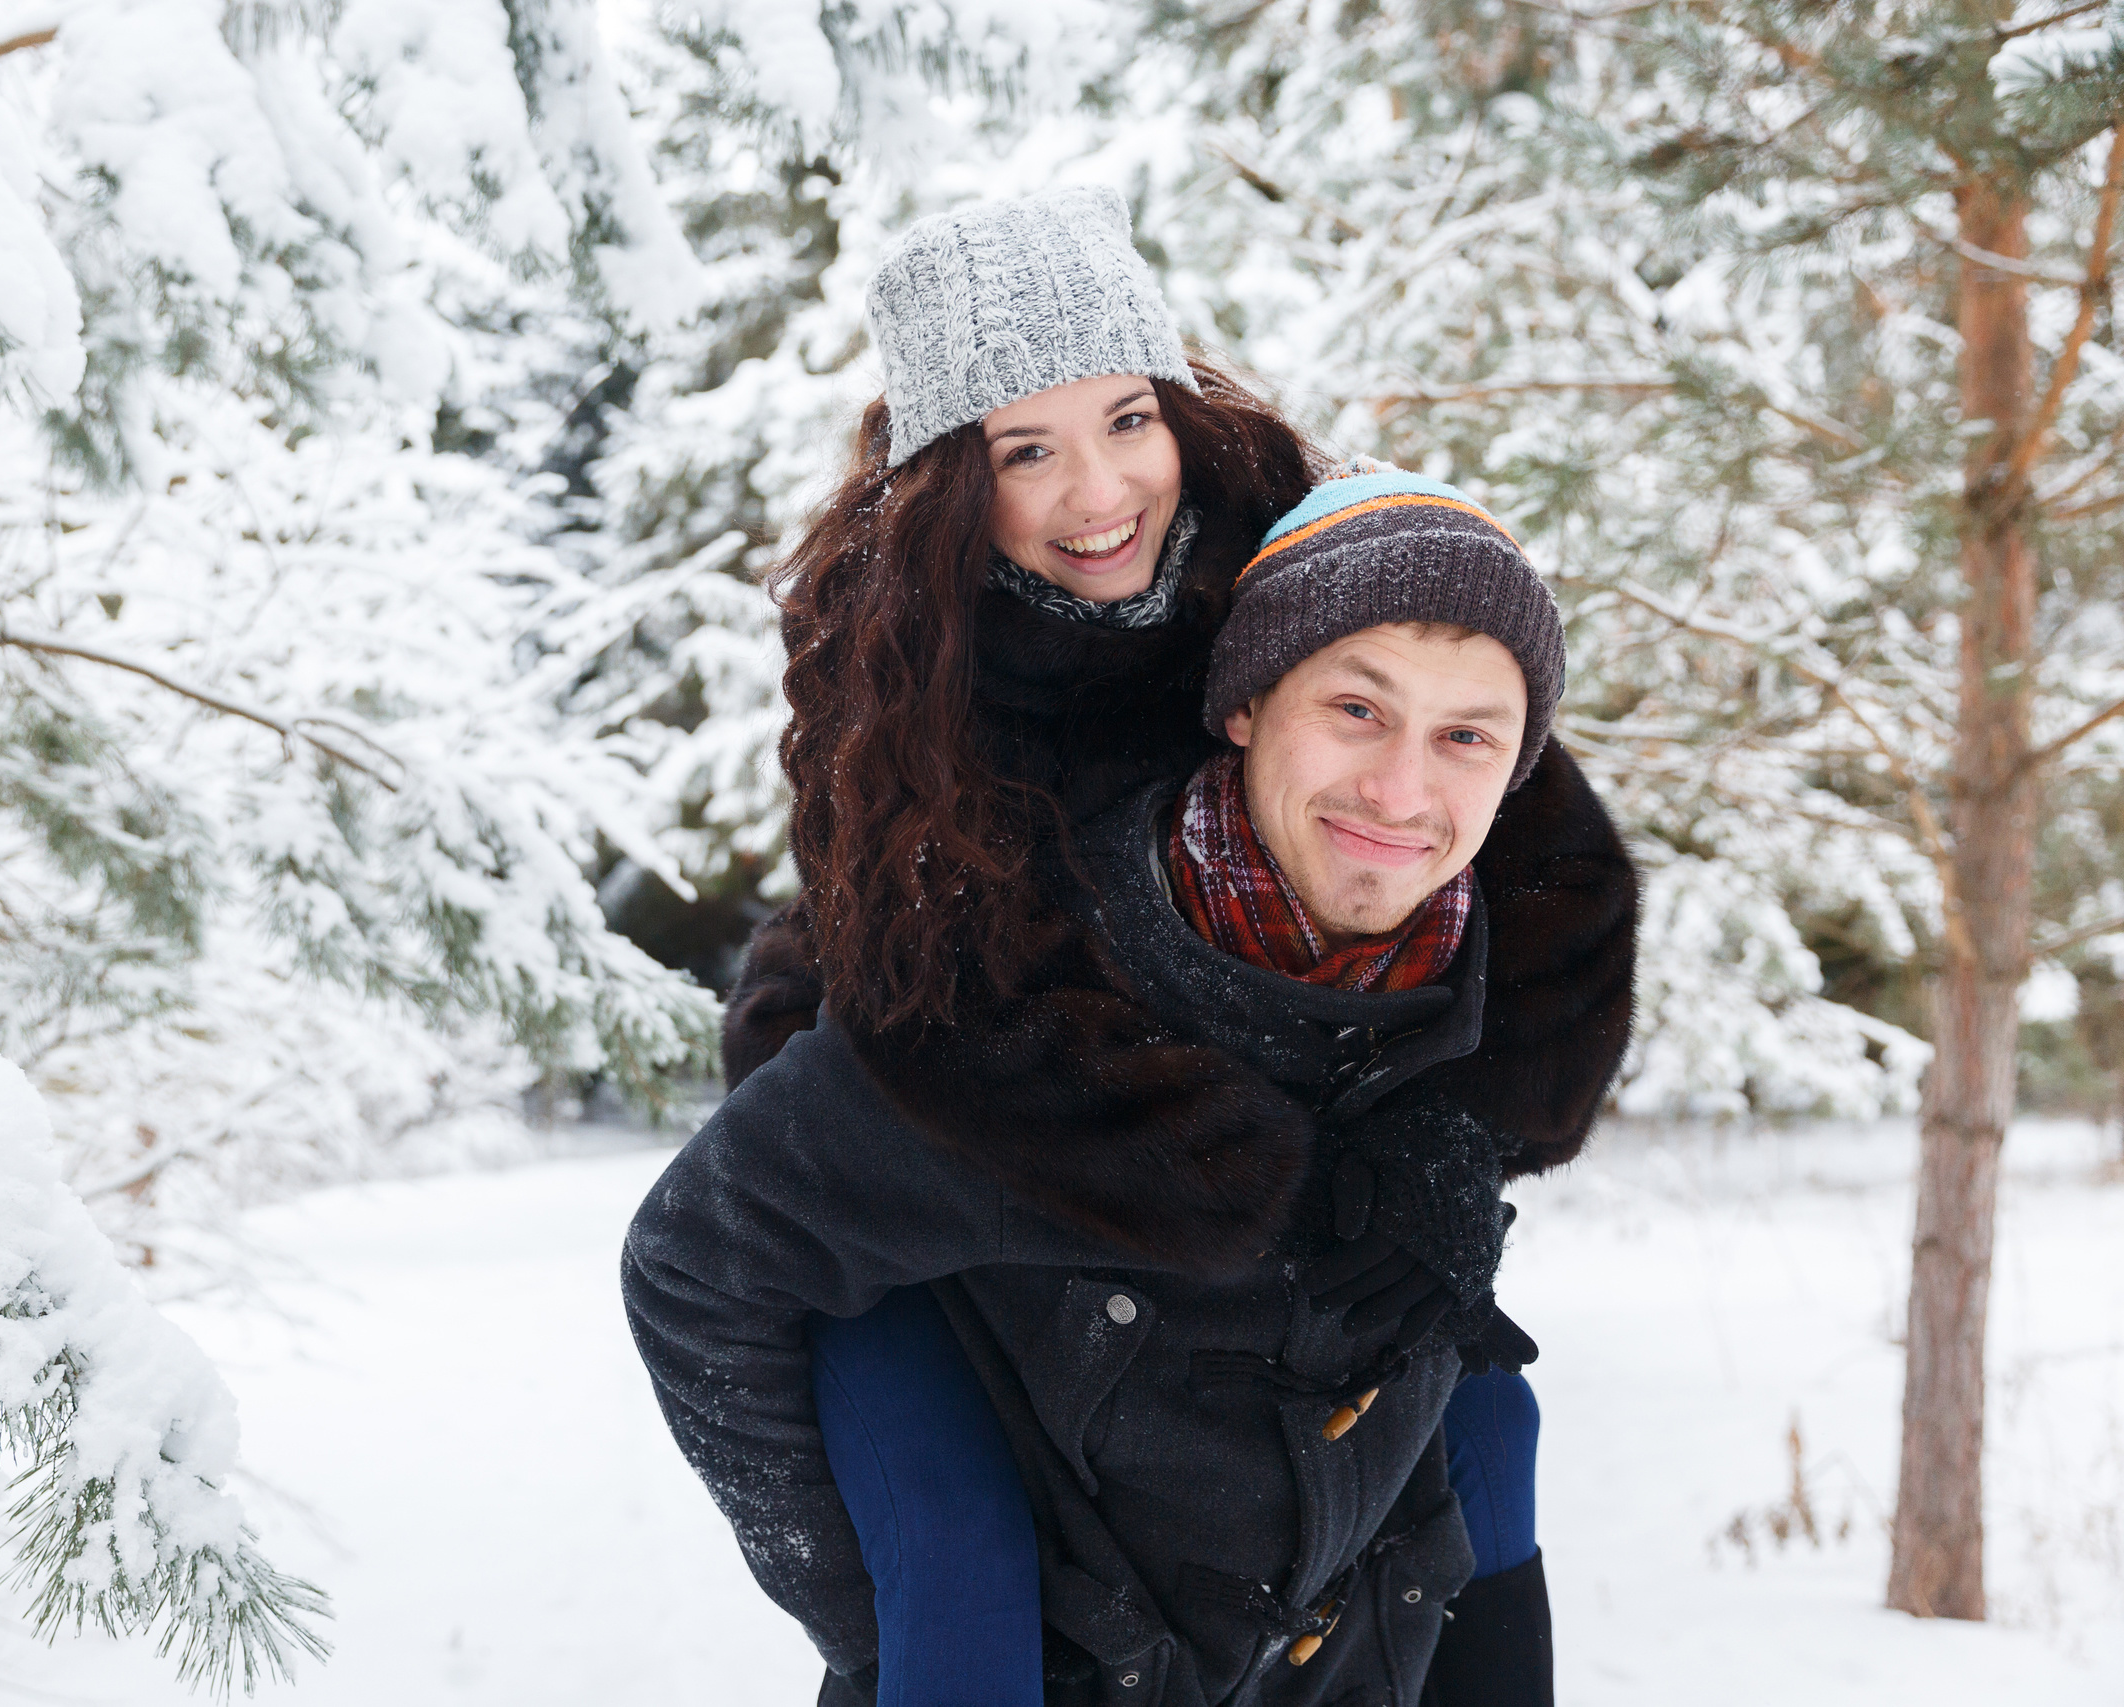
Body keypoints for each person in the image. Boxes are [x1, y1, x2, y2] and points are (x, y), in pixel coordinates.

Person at [627, 188, 1636, 1705]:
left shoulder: (1307, 567)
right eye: (1025, 451)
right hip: (1001, 1115)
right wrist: (1193, 1159)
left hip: (1262, 1101)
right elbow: (884, 961)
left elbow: (1528, 853)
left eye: (1126, 421)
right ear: (951, 484)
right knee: (955, 1570)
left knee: (1481, 1407)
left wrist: (1450, 1127)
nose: (1101, 493)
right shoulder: (906, 658)